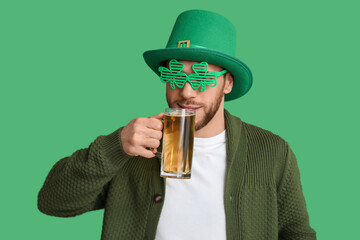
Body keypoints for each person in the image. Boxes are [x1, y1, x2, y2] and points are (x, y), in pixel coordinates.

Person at [38, 9, 316, 240]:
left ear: (227, 82)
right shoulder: (133, 148)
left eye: (201, 77)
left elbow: (297, 233)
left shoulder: (271, 151)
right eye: (174, 74)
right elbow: (52, 202)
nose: (186, 91)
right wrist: (116, 146)